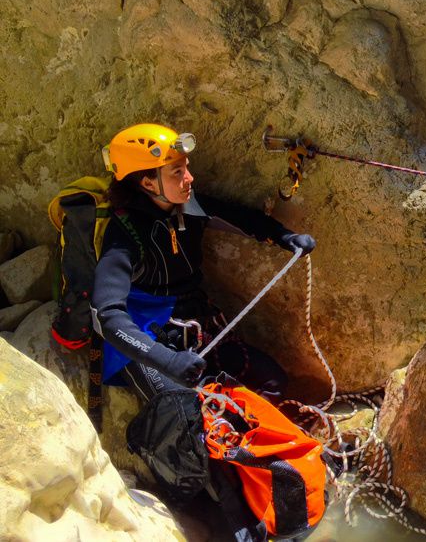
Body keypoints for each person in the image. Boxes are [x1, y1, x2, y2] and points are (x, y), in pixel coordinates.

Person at [92, 123, 316, 401]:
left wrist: (285, 237)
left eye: (186, 167)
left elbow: (242, 218)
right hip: (148, 340)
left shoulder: (190, 206)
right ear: (147, 183)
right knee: (187, 415)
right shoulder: (123, 234)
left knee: (273, 382)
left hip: (194, 327)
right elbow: (108, 317)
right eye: (177, 172)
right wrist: (167, 361)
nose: (190, 178)